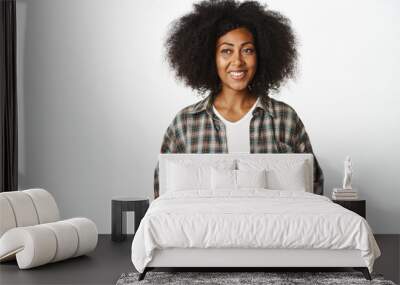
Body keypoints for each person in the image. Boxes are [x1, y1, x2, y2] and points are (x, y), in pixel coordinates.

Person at [154, 0, 324, 198]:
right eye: (226, 51)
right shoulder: (184, 124)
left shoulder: (285, 118)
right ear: (211, 58)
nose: (237, 61)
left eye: (247, 50)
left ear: (260, 55)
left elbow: (313, 184)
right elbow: (163, 193)